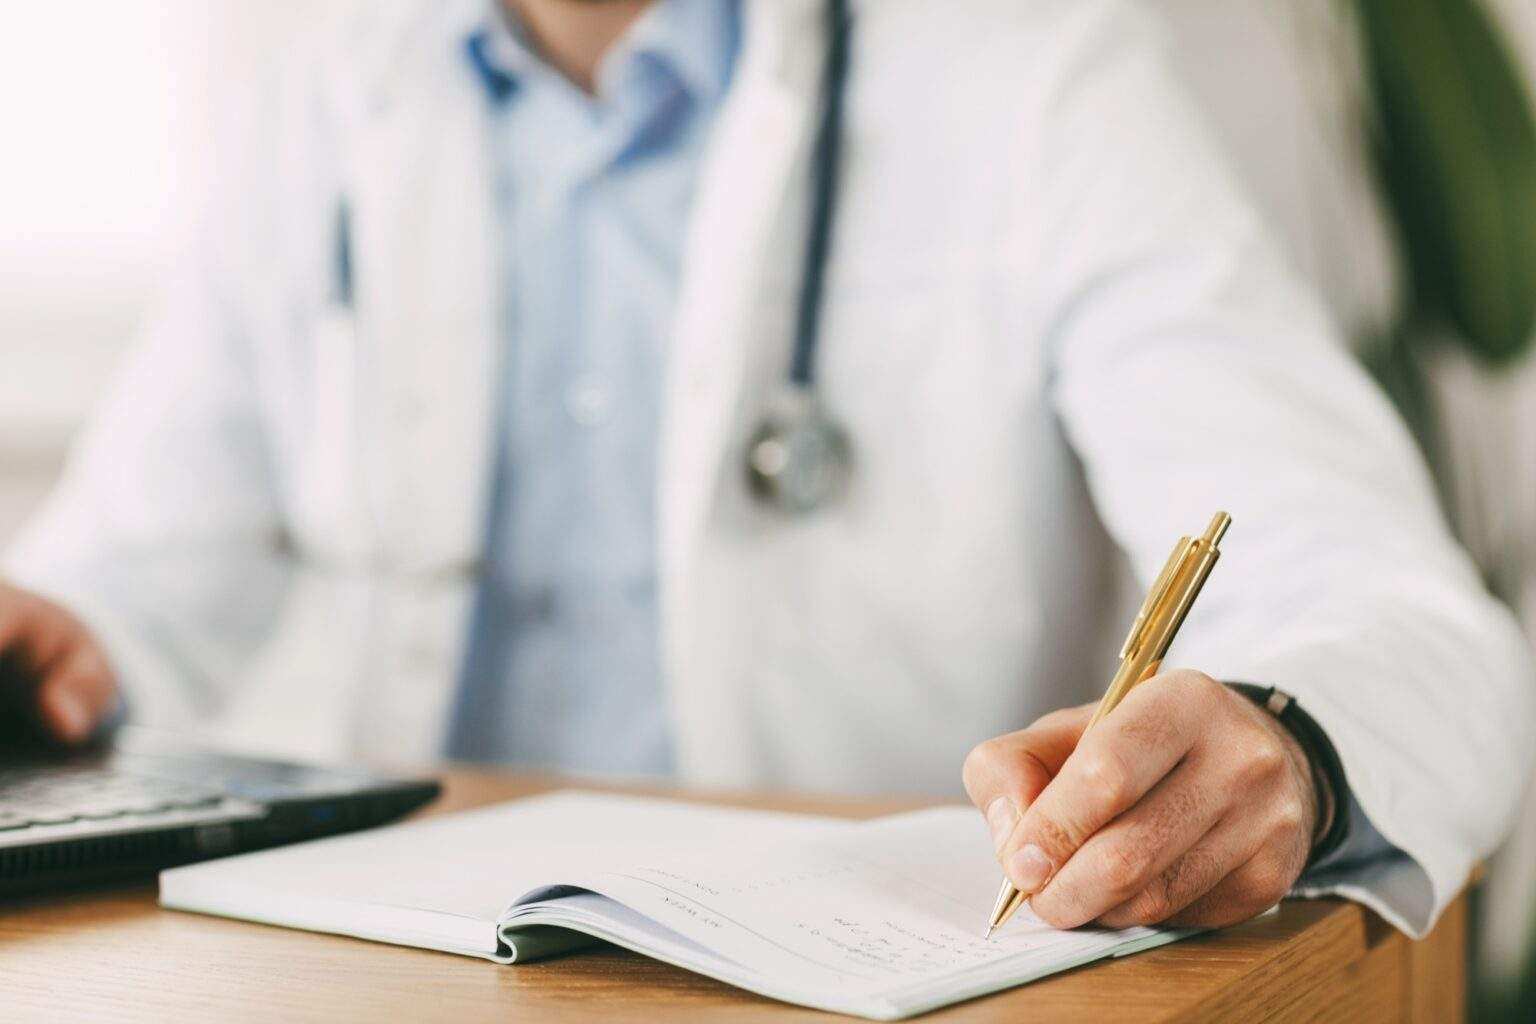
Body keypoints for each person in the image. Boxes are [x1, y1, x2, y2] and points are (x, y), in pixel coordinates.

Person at [1, 0, 1531, 940]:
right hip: (401, 964)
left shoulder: (1040, 80)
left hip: (859, 984)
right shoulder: (329, 96)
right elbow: (140, 560)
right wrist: (63, 634)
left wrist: (1286, 739)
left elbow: (1387, 604)